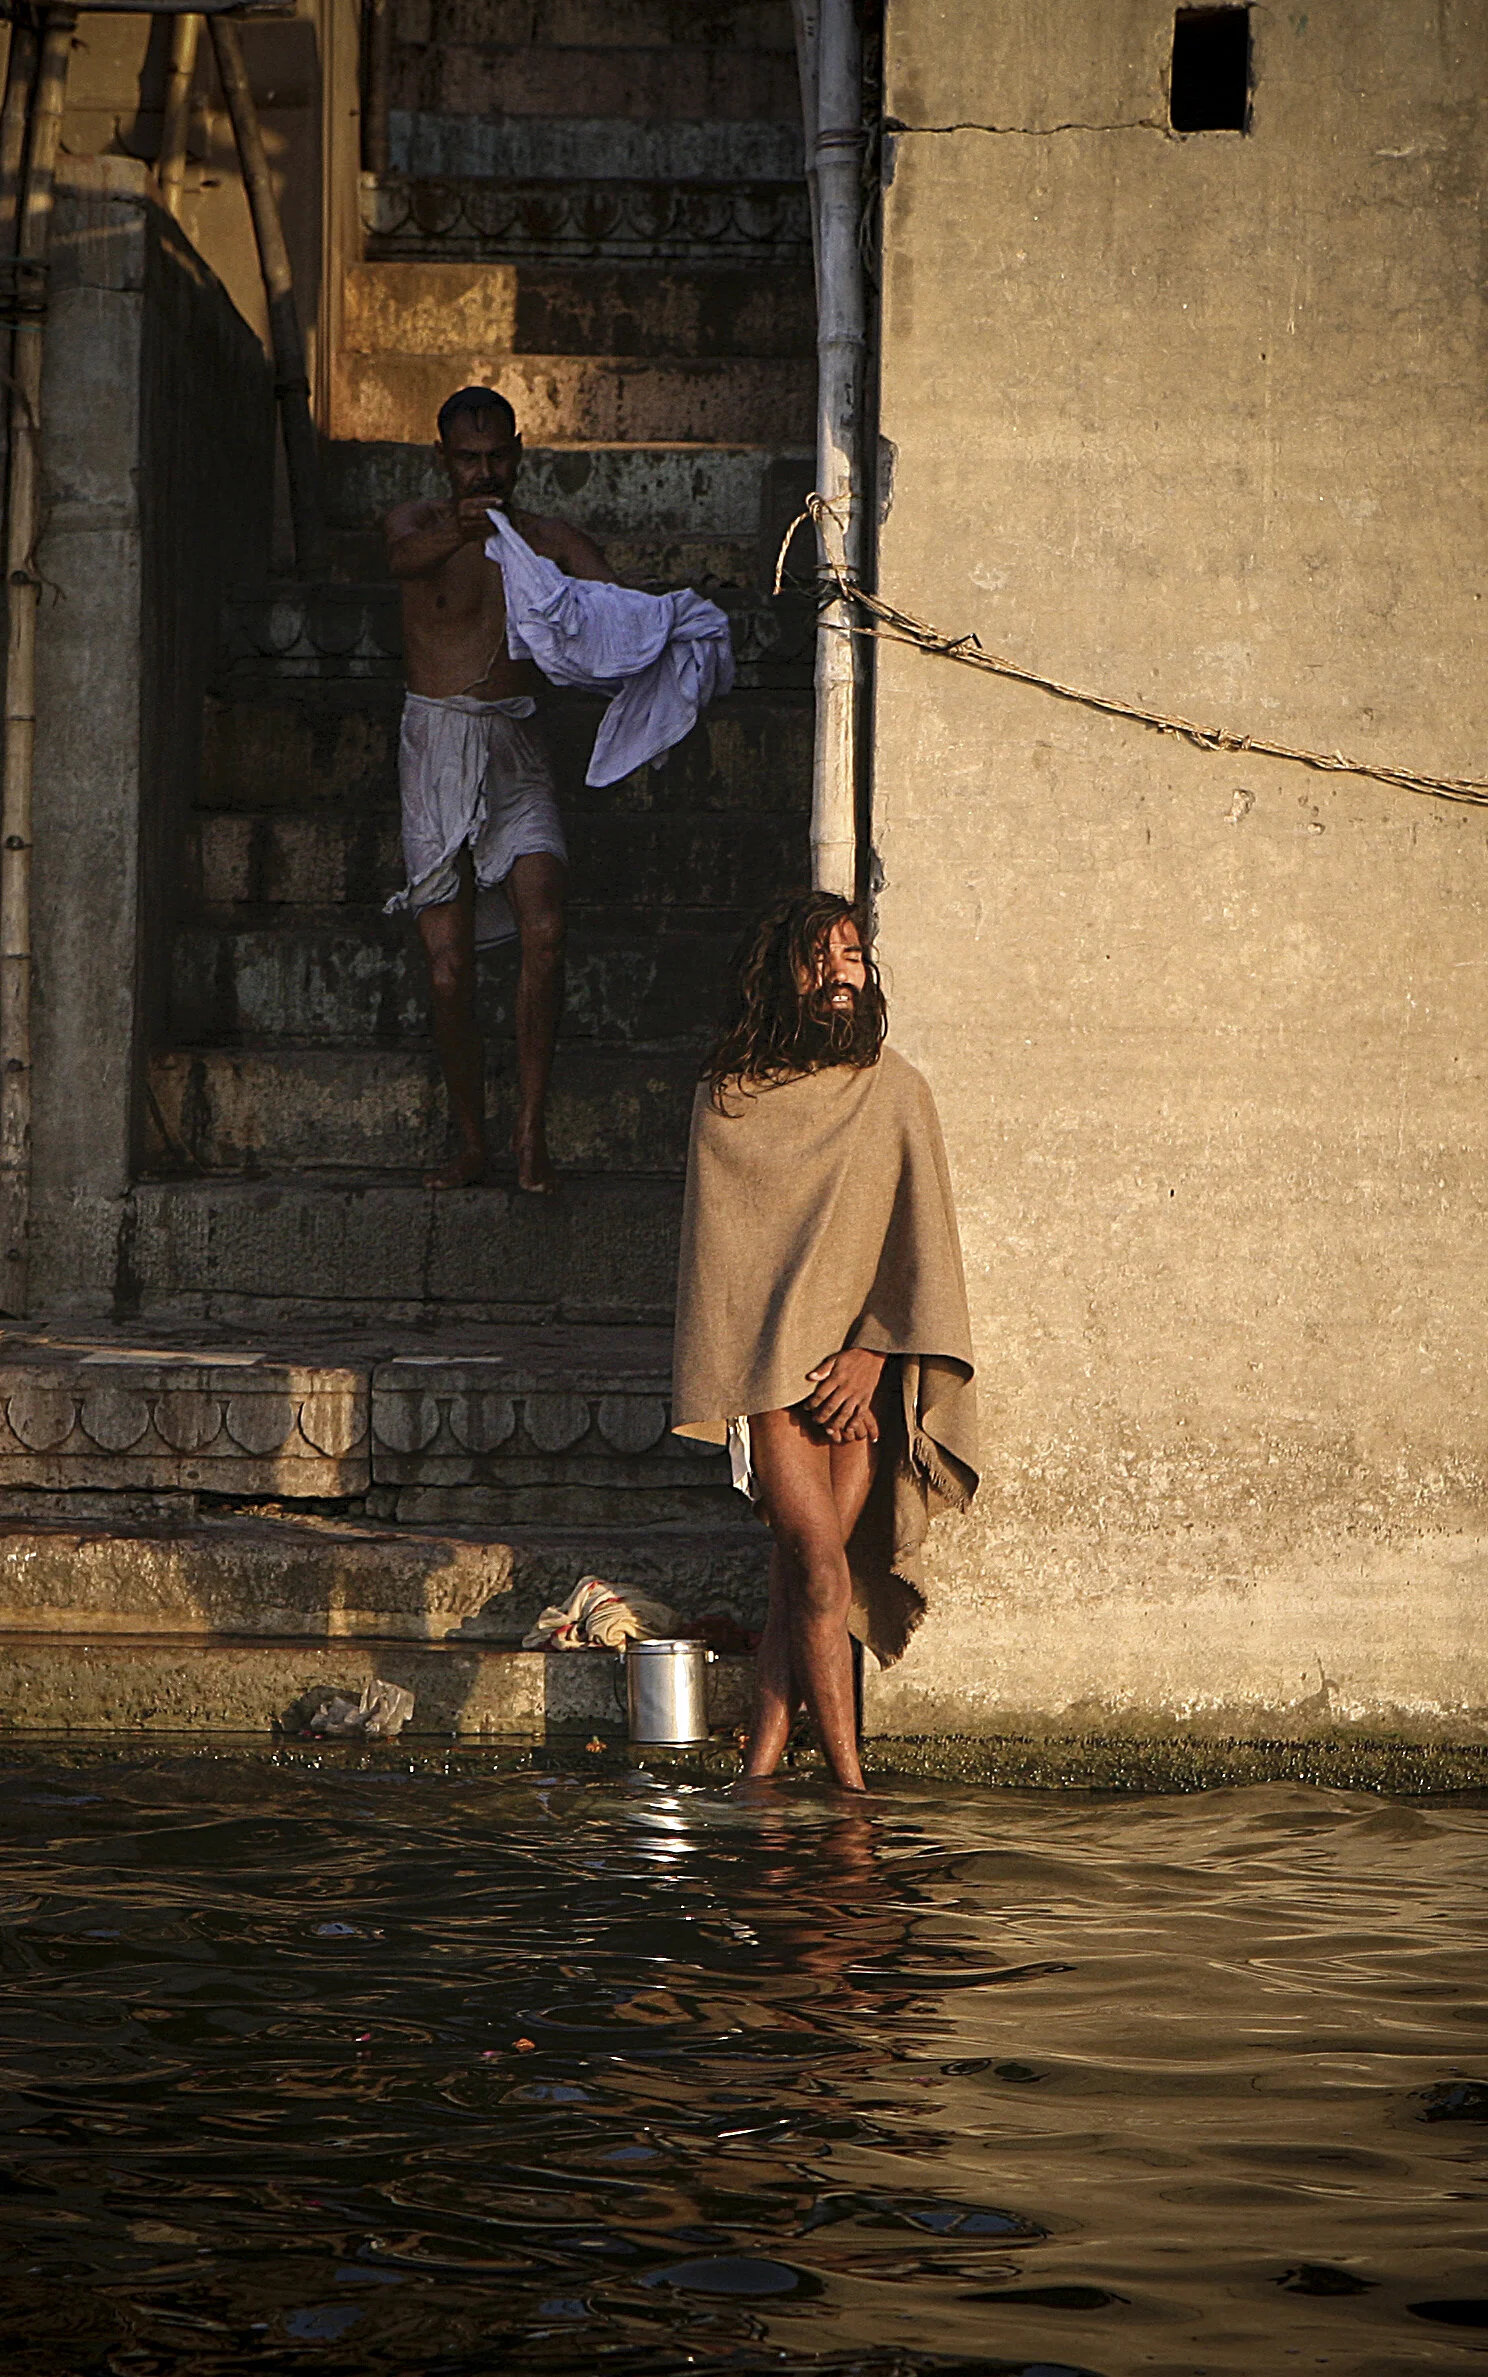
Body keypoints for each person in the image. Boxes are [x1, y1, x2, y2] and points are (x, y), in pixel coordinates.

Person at [671, 891, 979, 1792]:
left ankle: (764, 1769)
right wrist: (769, 1368)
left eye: (853, 957)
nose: (840, 974)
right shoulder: (729, 1102)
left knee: (811, 1577)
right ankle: (851, 1788)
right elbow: (728, 1269)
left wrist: (873, 1356)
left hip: (858, 1377)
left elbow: (915, 1248)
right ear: (782, 975)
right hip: (773, 1378)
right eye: (821, 958)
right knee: (813, 1565)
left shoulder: (895, 1092)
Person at [384, 386, 614, 1192]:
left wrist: (663, 627)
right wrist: (465, 526)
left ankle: (529, 1136)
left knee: (545, 931)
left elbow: (610, 597)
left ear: (520, 453)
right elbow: (401, 559)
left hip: (518, 745)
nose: (485, 472)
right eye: (468, 458)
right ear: (441, 459)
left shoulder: (545, 540)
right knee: (449, 970)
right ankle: (473, 1140)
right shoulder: (416, 525)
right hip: (435, 748)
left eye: (497, 457)